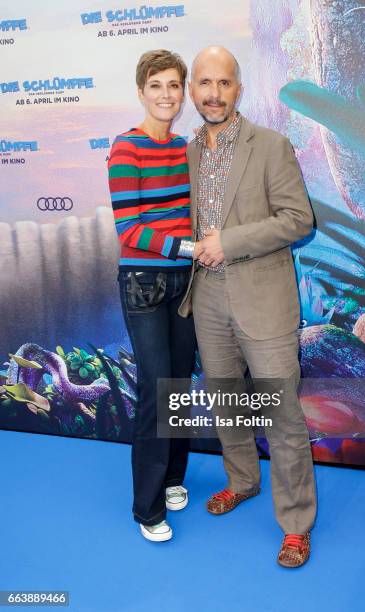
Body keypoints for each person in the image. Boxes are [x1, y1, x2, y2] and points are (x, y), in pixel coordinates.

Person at [179, 46, 317, 567]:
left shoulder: (272, 145)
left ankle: (297, 523)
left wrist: (230, 241)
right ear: (193, 89)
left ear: (240, 88)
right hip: (208, 297)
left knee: (282, 416)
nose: (213, 94)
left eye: (224, 83)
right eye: (204, 83)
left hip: (264, 298)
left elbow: (297, 219)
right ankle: (241, 480)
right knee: (228, 401)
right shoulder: (184, 153)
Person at [108, 49, 198, 542]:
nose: (167, 94)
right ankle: (147, 507)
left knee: (180, 383)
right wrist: (189, 246)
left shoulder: (184, 146)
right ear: (141, 91)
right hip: (144, 283)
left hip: (185, 281)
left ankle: (173, 478)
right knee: (156, 392)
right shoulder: (126, 148)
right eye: (156, 85)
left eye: (174, 85)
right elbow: (130, 228)